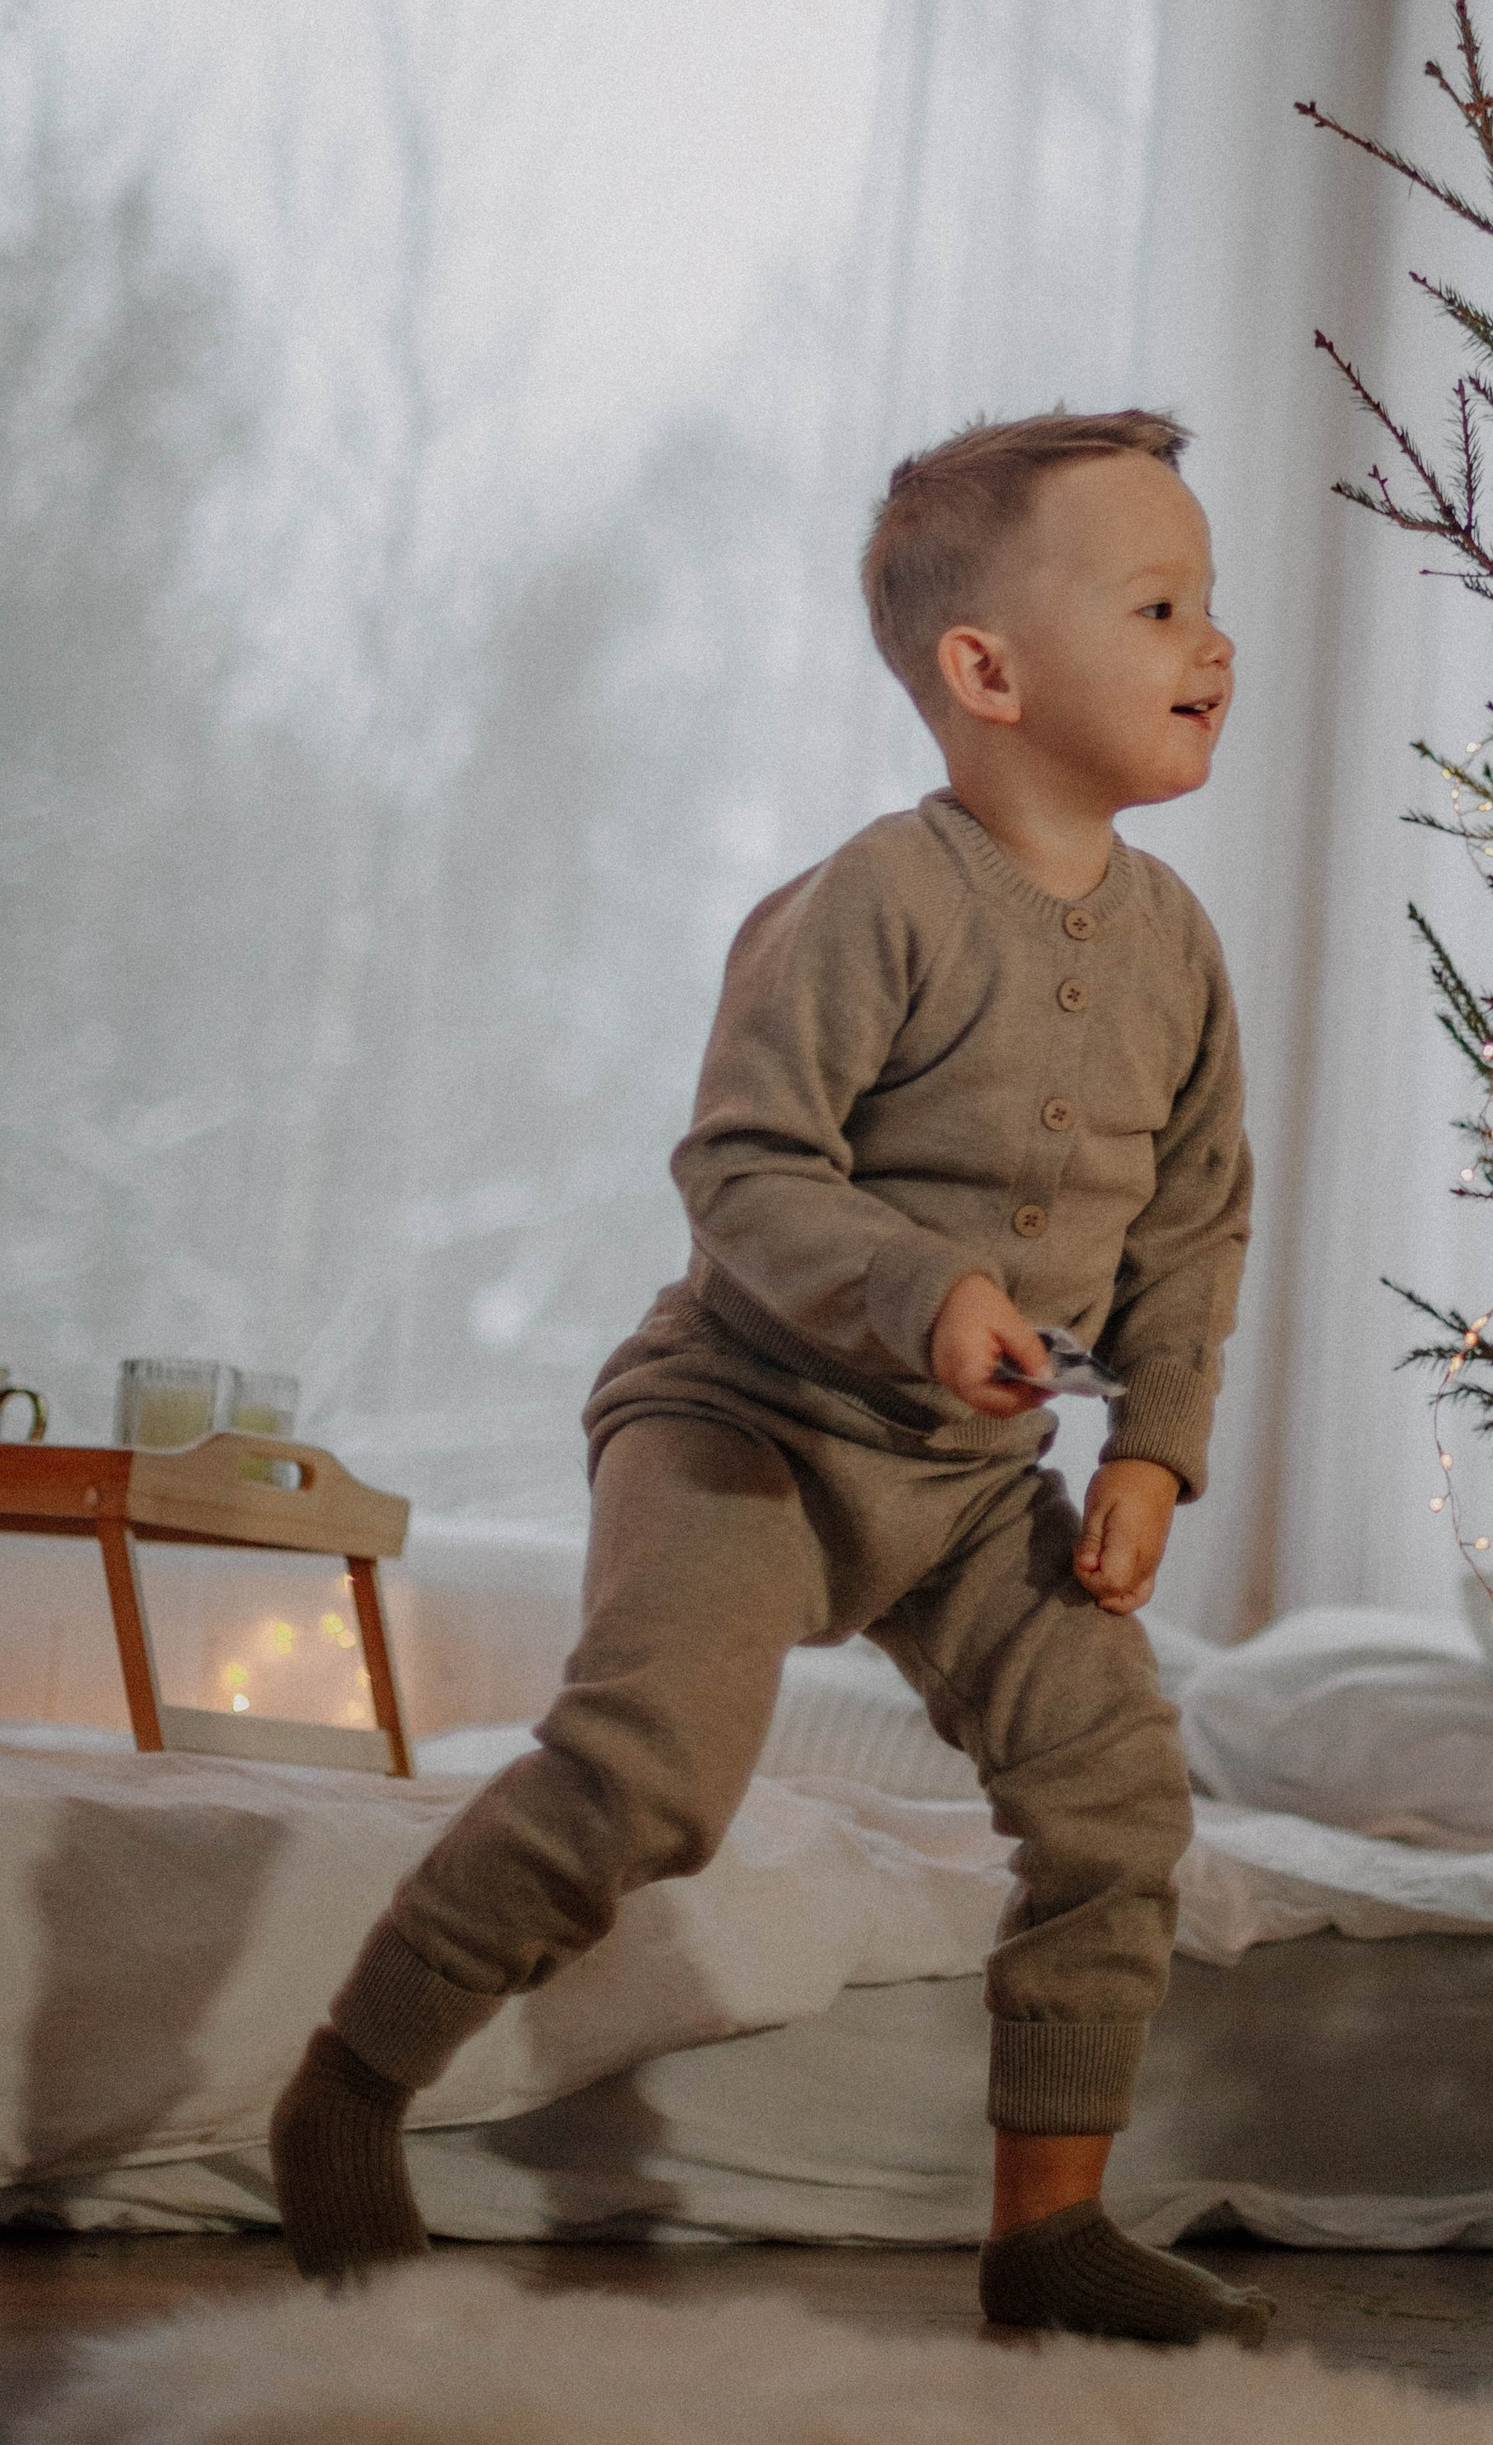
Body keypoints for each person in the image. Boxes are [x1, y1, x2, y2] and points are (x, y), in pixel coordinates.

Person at [269, 407, 1270, 2347]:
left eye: (1211, 601)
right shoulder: (874, 903)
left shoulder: (1177, 947)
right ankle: (349, 2092)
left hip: (970, 1486)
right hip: (743, 1422)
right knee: (647, 1779)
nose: (1213, 643)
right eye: (1159, 604)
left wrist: (1153, 1448)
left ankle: (1045, 2230)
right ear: (984, 673)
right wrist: (924, 1292)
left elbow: (1196, 1227)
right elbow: (740, 1169)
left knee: (1117, 1796)